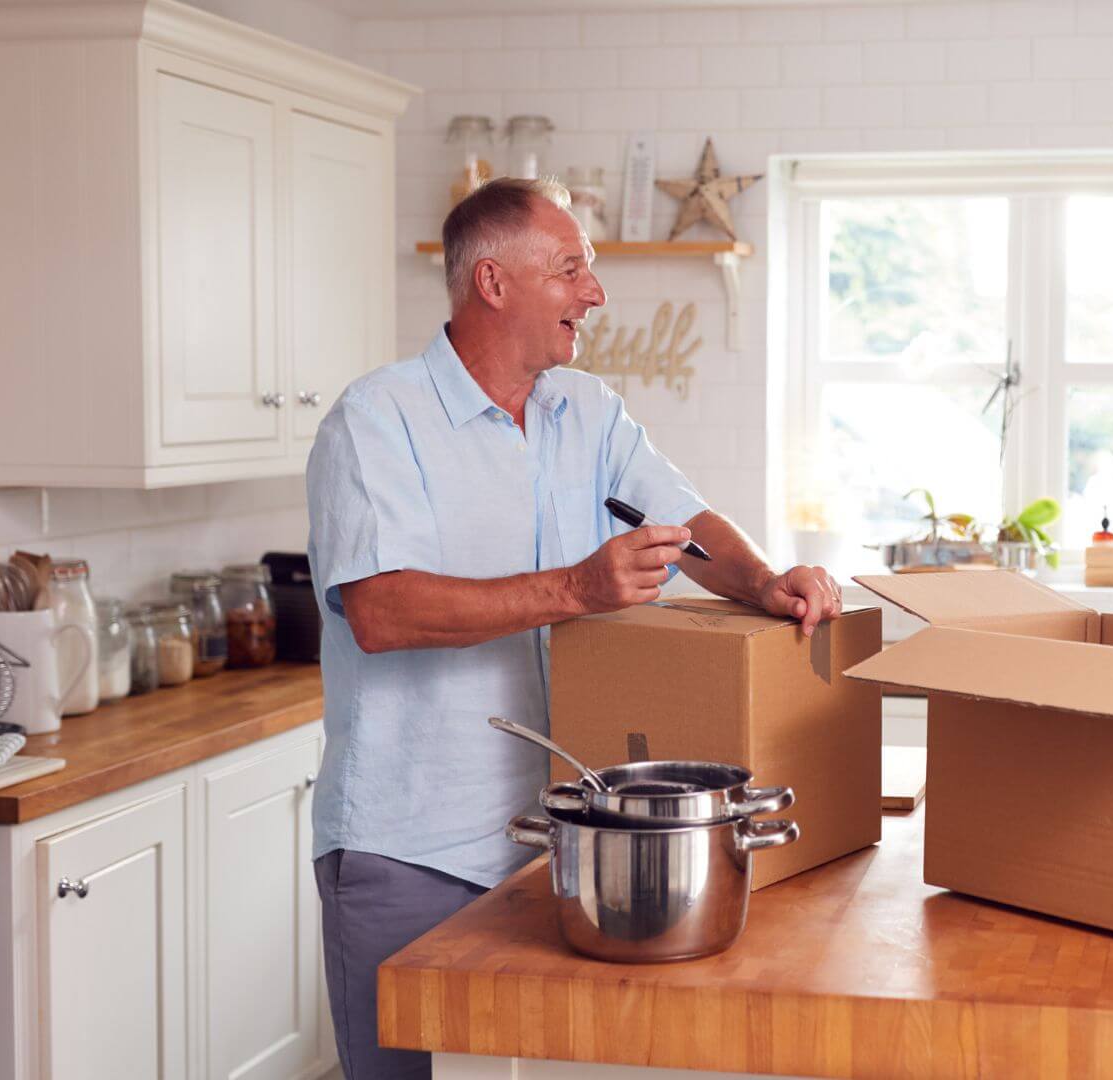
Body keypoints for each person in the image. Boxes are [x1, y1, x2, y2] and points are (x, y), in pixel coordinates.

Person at [304, 177, 843, 1079]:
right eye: (571, 270)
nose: (593, 293)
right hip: (409, 851)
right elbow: (382, 611)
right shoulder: (376, 421)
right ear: (493, 282)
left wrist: (763, 582)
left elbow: (684, 525)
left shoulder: (585, 412)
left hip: (553, 849)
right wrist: (576, 587)